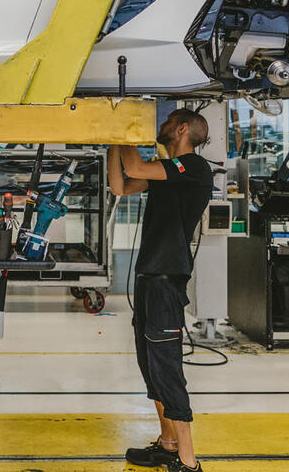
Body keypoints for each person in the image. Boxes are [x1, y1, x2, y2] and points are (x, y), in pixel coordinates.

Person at [108, 108, 213, 472]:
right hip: (150, 276)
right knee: (150, 364)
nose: (161, 126)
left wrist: (121, 126)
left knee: (166, 366)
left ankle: (188, 460)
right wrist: (112, 140)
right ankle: (168, 444)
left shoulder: (193, 167)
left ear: (182, 129)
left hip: (167, 278)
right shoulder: (167, 172)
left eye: (167, 122)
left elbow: (134, 167)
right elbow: (120, 186)